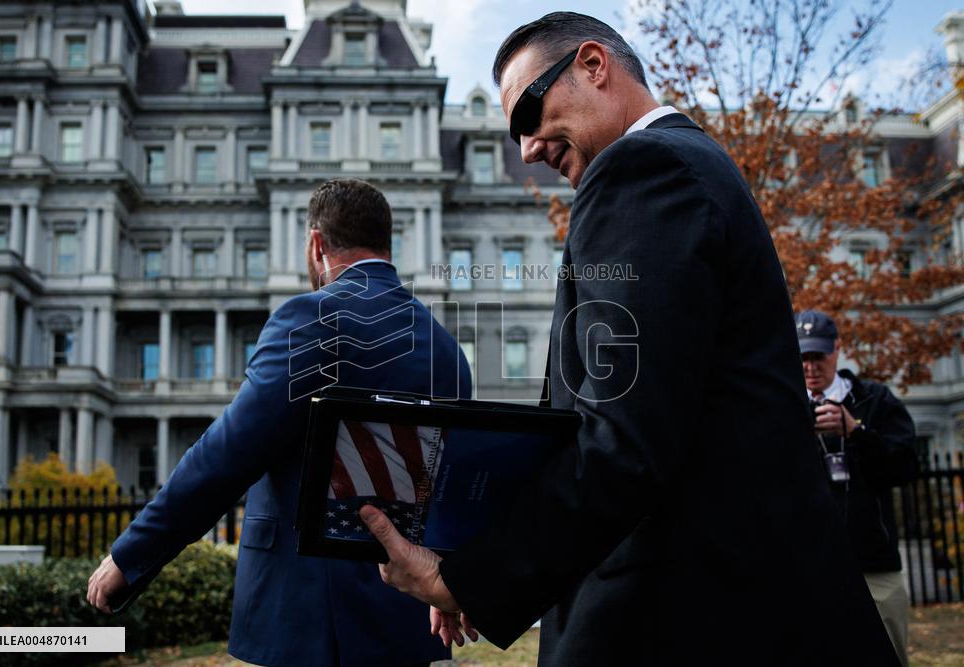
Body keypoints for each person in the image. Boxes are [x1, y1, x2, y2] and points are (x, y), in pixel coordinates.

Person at [358, 12, 900, 665]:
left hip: (691, 618)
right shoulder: (689, 164)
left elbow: (622, 440)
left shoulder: (643, 171)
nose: (526, 147)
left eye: (530, 112)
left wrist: (467, 577)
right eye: (514, 133)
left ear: (593, 65)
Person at [86, 179, 471, 667]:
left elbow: (227, 452)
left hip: (307, 620)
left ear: (316, 245)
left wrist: (131, 555)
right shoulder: (446, 349)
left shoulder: (311, 319)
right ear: (385, 245)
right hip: (413, 616)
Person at [797, 309, 917, 665]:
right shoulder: (783, 406)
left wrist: (858, 432)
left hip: (874, 566)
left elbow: (905, 467)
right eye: (803, 357)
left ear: (837, 349)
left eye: (818, 356)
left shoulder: (874, 399)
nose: (810, 366)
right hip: (807, 566)